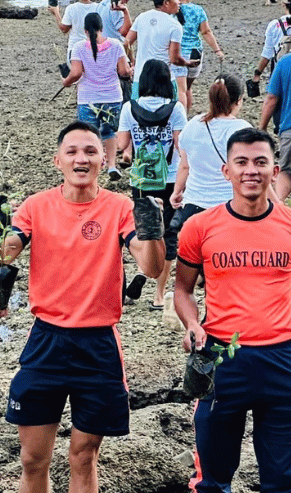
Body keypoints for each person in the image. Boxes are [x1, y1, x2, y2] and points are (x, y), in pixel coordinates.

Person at [0, 122, 165, 493]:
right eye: (72, 151)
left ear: (103, 161)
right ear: (58, 160)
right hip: (46, 341)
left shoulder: (120, 208)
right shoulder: (37, 206)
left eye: (91, 150)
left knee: (84, 456)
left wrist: (151, 224)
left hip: (98, 346)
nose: (82, 158)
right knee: (32, 458)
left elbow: (149, 268)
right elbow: (5, 254)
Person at [174, 128, 291, 493]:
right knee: (211, 477)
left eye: (261, 162)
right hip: (222, 363)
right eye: (242, 162)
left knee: (288, 480)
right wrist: (192, 323)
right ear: (226, 171)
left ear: (276, 170)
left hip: (279, 362)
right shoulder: (200, 227)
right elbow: (182, 288)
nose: (252, 170)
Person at [117, 59, 187, 309]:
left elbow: (123, 145)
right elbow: (182, 146)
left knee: (143, 231)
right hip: (170, 178)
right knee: (168, 234)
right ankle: (158, 294)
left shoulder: (129, 108)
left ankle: (140, 271)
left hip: (141, 179)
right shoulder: (176, 108)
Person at [169, 75, 250, 234]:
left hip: (193, 206)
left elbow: (185, 165)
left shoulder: (193, 124)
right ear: (238, 100)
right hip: (230, 206)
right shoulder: (242, 129)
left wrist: (177, 192)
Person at [62, 12, 132, 180]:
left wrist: (66, 82)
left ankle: (91, 167)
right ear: (102, 28)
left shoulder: (79, 47)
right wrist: (130, 70)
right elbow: (123, 71)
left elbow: (76, 73)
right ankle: (112, 166)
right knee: (108, 132)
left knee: (88, 134)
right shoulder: (115, 45)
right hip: (112, 97)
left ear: (85, 30)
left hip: (88, 98)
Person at [259, 33, 291, 205]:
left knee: (286, 172)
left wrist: (262, 127)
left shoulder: (285, 62)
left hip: (290, 131)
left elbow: (272, 99)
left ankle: (276, 209)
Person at [125, 0, 199, 105]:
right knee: (167, 114)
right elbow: (174, 59)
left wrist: (131, 59)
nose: (179, 2)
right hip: (164, 78)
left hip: (141, 76)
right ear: (166, 2)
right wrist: (187, 63)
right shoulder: (174, 25)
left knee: (139, 113)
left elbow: (127, 43)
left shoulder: (142, 17)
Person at [250, 0, 291, 116]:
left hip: (280, 73)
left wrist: (257, 74)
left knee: (278, 105)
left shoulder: (274, 25)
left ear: (283, 4)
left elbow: (267, 55)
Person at [173, 0, 223, 112]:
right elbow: (206, 32)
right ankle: (186, 114)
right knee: (188, 88)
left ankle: (182, 119)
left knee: (180, 90)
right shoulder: (198, 10)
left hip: (179, 52)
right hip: (195, 52)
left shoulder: (171, 10)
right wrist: (217, 50)